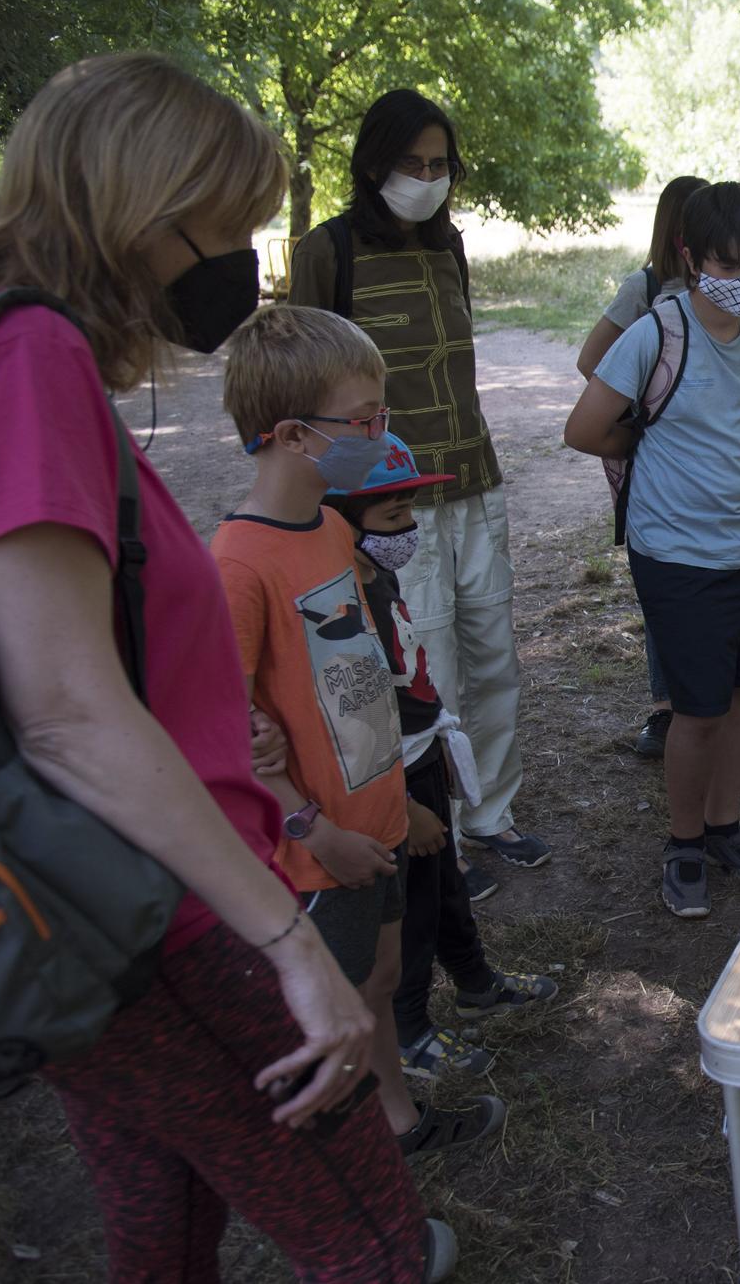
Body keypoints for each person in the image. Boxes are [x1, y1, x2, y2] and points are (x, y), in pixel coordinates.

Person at [0, 52, 451, 1281]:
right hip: (152, 908)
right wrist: (283, 943)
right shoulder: (24, 357)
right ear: (143, 209)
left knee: (162, 1227)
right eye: (228, 229)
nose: (239, 263)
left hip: (85, 904)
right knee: (373, 1238)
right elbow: (68, 707)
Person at [216, 303, 505, 1161]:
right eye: (366, 421)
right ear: (297, 436)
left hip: (374, 817)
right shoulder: (236, 563)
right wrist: (314, 828)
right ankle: (345, 1165)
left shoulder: (336, 528)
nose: (381, 436)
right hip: (318, 848)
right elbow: (224, 729)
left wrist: (397, 803)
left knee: (379, 980)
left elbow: (360, 683)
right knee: (335, 1007)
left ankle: (397, 1123)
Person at [290, 89, 548, 876]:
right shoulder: (327, 251)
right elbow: (301, 384)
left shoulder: (450, 248)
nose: (429, 178)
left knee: (494, 659)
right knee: (425, 668)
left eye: (441, 165)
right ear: (374, 164)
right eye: (414, 163)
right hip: (393, 507)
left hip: (475, 480)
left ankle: (493, 814)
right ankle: (437, 835)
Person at [563, 181, 740, 920]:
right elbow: (585, 427)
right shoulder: (654, 334)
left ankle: (724, 827)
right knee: (694, 711)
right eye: (725, 265)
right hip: (678, 555)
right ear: (691, 258)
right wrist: (646, 443)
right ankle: (683, 843)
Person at [323, 434, 558, 1078]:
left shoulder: (380, 570)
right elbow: (350, 718)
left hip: (423, 752)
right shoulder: (340, 598)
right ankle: (408, 1029)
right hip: (389, 772)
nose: (410, 529)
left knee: (447, 885)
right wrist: (400, 800)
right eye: (394, 517)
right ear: (341, 516)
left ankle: (477, 982)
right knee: (412, 910)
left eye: (411, 513)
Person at [576, 174, 709, 761]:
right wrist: (636, 416)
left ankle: (707, 699)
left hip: (706, 460)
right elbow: (590, 359)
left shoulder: (722, 287)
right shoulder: (646, 285)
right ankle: (665, 709)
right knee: (660, 577)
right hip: (650, 457)